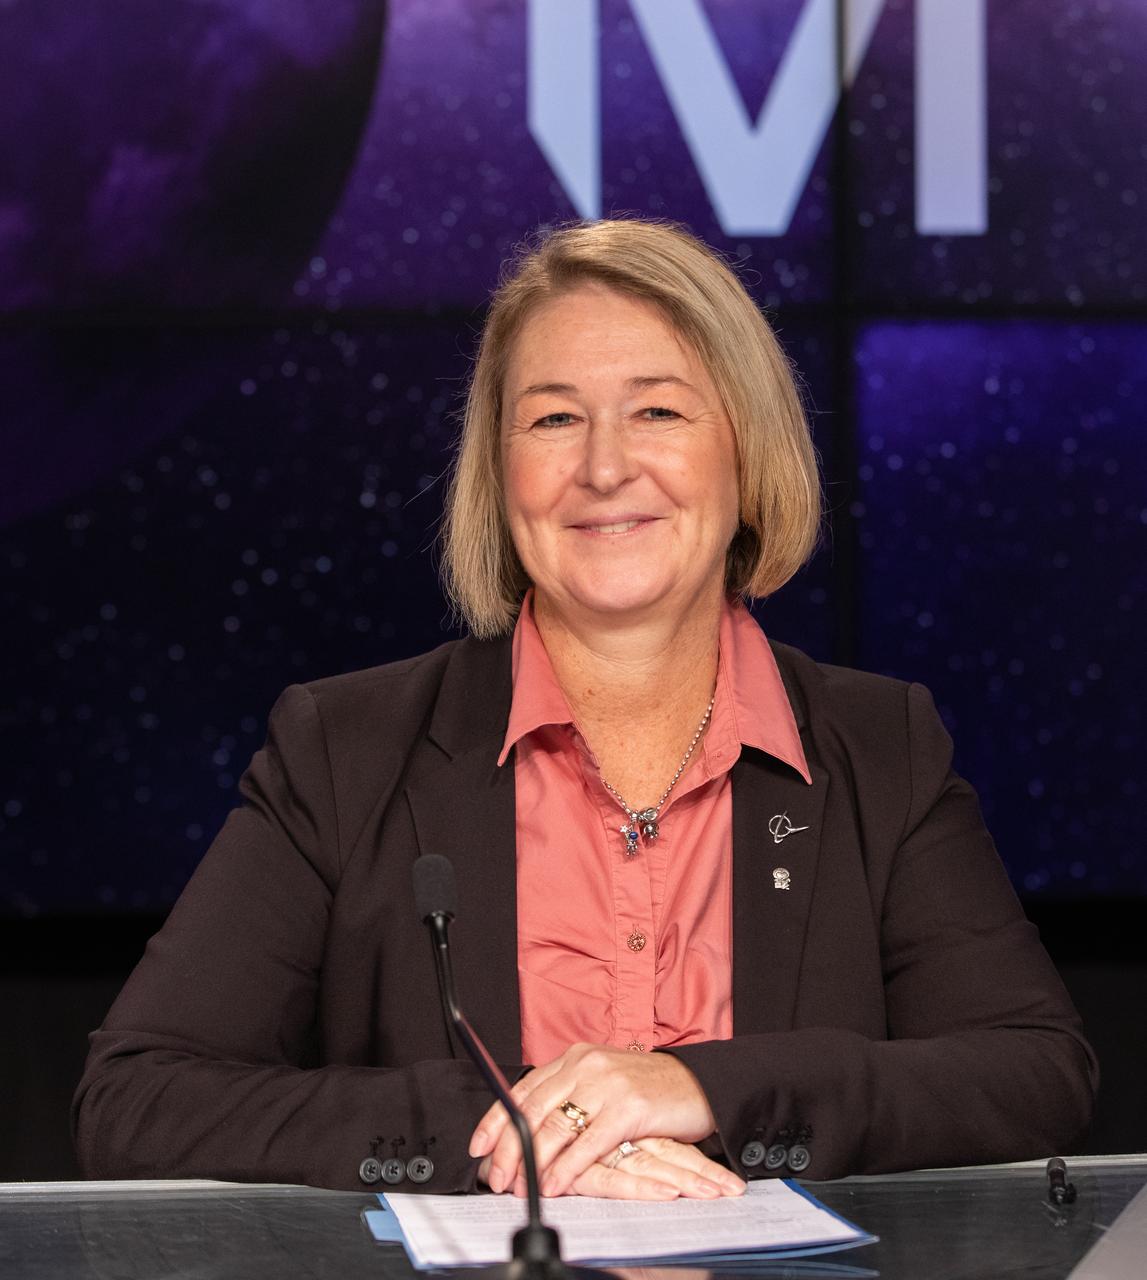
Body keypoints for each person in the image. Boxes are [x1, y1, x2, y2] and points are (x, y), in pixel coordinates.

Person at [73, 219, 1096, 1199]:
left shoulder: (879, 746)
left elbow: (1031, 1073)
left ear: (746, 452)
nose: (604, 466)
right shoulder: (343, 749)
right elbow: (137, 1096)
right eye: (554, 417)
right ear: (498, 472)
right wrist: (510, 1131)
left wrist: (703, 1087)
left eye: (657, 410)